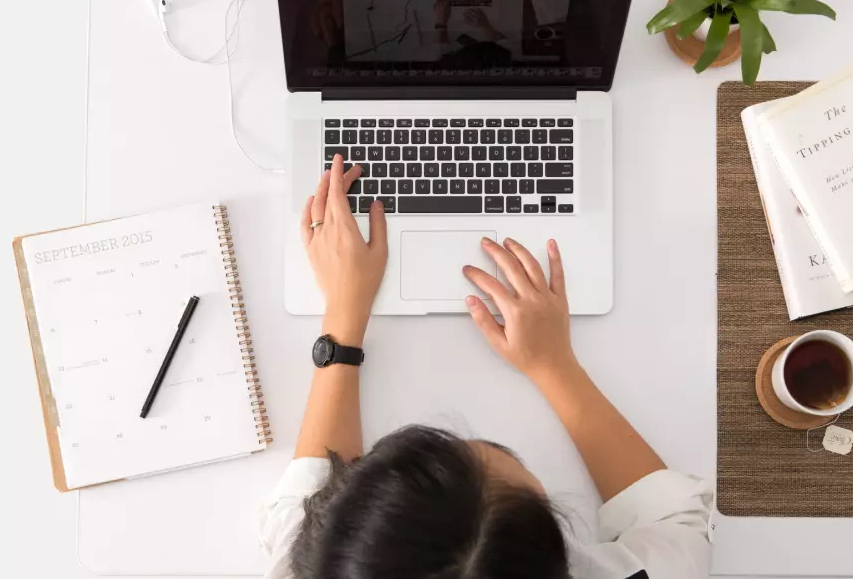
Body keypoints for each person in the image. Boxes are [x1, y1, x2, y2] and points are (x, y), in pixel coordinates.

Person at [259, 156, 712, 579]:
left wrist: (344, 308)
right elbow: (678, 522)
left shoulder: (306, 564)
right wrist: (555, 367)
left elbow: (306, 504)